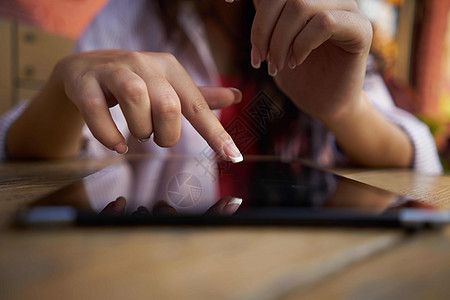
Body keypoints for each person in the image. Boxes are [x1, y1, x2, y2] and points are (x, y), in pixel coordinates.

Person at [0, 0, 443, 175]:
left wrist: (344, 111)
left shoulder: (323, 14)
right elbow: (24, 154)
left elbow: (415, 160)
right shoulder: (131, 19)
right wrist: (64, 90)